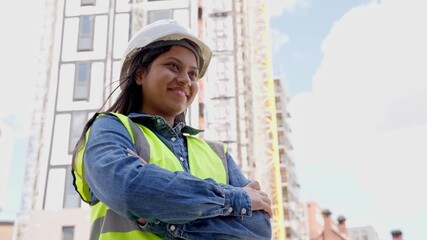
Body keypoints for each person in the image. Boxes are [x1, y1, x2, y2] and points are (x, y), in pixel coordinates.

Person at [72, 19, 272, 240]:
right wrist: (235, 200)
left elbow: (258, 229)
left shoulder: (217, 154)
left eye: (193, 74)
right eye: (173, 66)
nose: (185, 79)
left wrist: (161, 221)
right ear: (140, 74)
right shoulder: (111, 128)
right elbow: (129, 189)